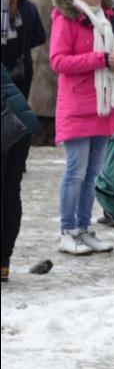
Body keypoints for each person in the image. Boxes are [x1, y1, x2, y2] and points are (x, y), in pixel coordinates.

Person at [50, 0, 114, 255]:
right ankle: (67, 231)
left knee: (92, 174)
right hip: (78, 105)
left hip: (102, 105)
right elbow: (58, 61)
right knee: (76, 172)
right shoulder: (66, 19)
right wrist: (101, 59)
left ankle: (84, 228)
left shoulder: (103, 18)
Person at [1, 65, 39, 282]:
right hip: (18, 122)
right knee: (10, 193)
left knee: (8, 193)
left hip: (8, 123)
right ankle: (3, 263)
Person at [28, 0, 66, 147]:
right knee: (55, 93)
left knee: (37, 92)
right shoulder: (64, 2)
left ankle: (38, 132)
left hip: (36, 52)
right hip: (60, 53)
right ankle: (53, 131)